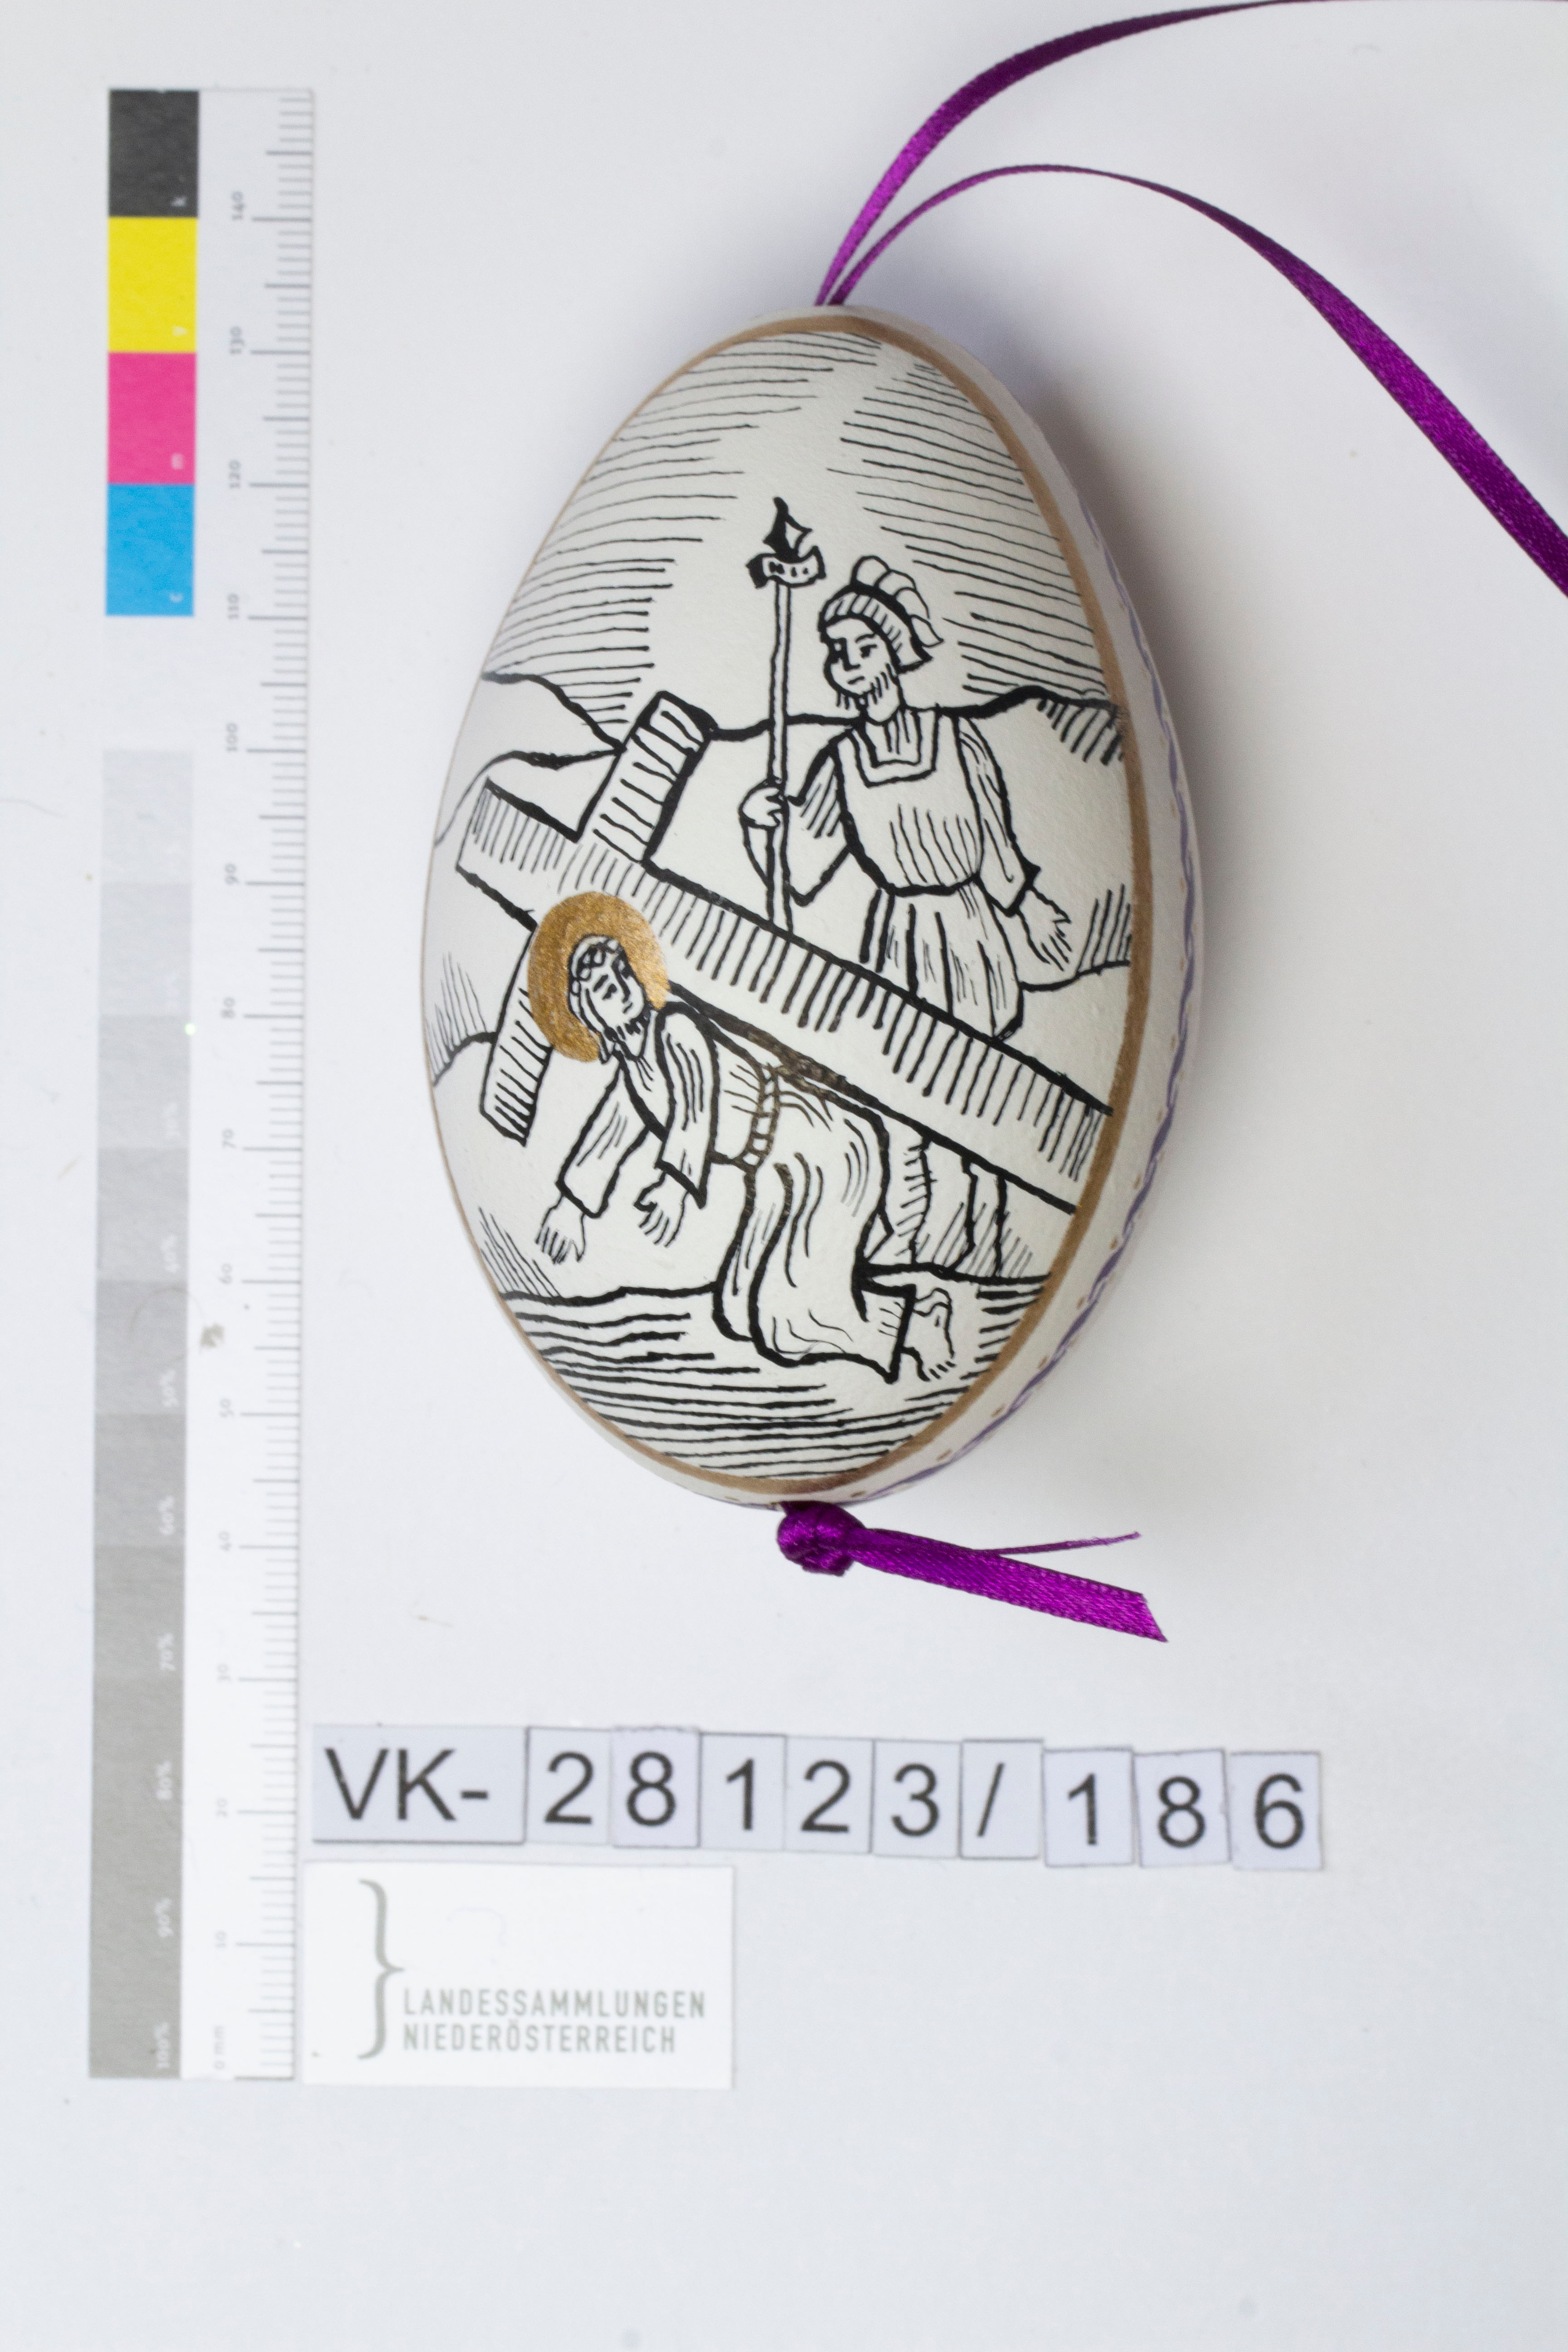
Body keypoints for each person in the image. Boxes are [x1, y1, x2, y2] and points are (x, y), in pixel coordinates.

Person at [740, 556, 1074, 1270]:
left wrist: (1028, 906)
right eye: (838, 653)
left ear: (893, 654)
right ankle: (912, 1224)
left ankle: (981, 1231)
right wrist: (762, 826)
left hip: (967, 931)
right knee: (902, 1088)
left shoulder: (956, 739)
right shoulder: (841, 762)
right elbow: (802, 874)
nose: (849, 664)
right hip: (897, 937)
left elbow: (996, 845)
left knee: (979, 1084)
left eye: (863, 648)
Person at [535, 929, 955, 1382]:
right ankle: (902, 1311)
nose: (619, 987)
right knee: (737, 1310)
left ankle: (916, 1327)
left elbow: (696, 1105)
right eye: (603, 987)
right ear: (589, 1012)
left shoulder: (676, 1027)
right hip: (775, 1167)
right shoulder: (634, 1073)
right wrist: (570, 1207)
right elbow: (610, 1133)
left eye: (622, 972)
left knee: (784, 1322)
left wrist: (676, 1185)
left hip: (825, 1145)